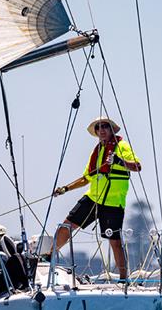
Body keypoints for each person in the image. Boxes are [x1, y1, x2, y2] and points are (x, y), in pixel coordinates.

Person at [50, 117, 141, 278]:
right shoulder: (97, 151)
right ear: (96, 132)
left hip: (113, 202)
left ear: (111, 129)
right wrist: (65, 188)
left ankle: (123, 279)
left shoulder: (122, 146)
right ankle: (47, 258)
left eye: (105, 126)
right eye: (98, 128)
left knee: (115, 242)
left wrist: (119, 161)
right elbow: (86, 178)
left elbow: (137, 166)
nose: (102, 129)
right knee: (66, 226)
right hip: (93, 199)